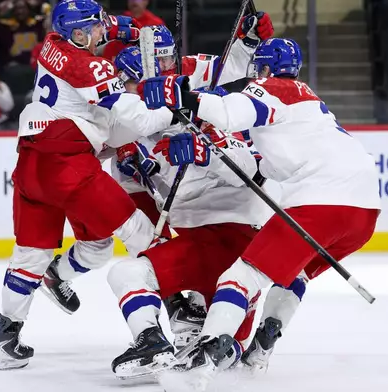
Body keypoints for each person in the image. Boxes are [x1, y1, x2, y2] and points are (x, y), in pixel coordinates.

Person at [142, 38, 381, 390]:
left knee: (239, 276)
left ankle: (204, 355)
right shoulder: (310, 104)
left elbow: (226, 112)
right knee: (293, 273)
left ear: (263, 69)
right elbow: (266, 166)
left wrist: (182, 96)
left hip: (321, 201)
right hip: (364, 211)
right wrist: (212, 151)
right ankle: (261, 346)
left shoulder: (273, 88)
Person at [0, 0, 178, 373]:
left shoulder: (53, 43)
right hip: (67, 165)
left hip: (31, 164)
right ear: (79, 33)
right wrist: (172, 107)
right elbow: (132, 113)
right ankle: (169, 320)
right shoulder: (89, 65)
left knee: (37, 255)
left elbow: (104, 27)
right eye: (95, 30)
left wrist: (131, 29)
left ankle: (5, 340)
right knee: (139, 232)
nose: (102, 34)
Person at [103, 46, 268, 379]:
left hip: (236, 244)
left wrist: (206, 150)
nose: (131, 94)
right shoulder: (129, 142)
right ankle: (153, 342)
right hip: (197, 246)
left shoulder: (200, 112)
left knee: (226, 343)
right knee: (125, 274)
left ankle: (206, 334)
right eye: (125, 87)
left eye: (135, 85)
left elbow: (252, 168)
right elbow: (146, 220)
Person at [0, 0, 46, 66]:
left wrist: (39, 3)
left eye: (23, 8)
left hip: (36, 65)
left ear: (29, 9)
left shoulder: (38, 25)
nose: (20, 11)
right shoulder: (5, 28)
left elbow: (50, 13)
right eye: (17, 8)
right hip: (12, 68)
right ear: (13, 10)